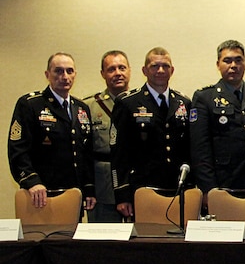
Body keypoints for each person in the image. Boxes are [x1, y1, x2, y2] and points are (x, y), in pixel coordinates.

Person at [110, 47, 192, 219]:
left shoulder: (183, 102)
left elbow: (189, 148)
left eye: (165, 66)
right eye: (155, 66)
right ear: (144, 70)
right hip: (142, 188)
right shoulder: (128, 103)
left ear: (172, 70)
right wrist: (122, 195)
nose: (160, 70)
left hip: (177, 188)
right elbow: (119, 154)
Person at [8, 53, 95, 212]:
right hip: (40, 195)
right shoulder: (30, 104)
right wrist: (31, 181)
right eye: (58, 71)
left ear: (75, 74)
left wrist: (89, 188)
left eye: (70, 71)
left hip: (73, 194)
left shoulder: (81, 108)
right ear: (47, 75)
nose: (65, 76)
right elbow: (18, 149)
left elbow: (86, 153)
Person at [190, 40, 245, 198]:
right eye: (227, 60)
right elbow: (200, 149)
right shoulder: (204, 97)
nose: (233, 65)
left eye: (238, 60)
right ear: (218, 64)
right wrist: (208, 189)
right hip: (223, 182)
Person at [83, 50, 131, 222]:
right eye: (111, 69)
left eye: (122, 68)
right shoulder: (88, 106)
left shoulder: (140, 103)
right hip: (103, 187)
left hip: (134, 183)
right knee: (103, 242)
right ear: (102, 74)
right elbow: (82, 152)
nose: (117, 73)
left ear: (130, 70)